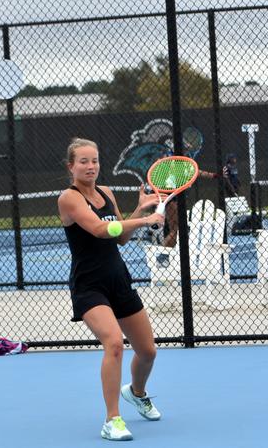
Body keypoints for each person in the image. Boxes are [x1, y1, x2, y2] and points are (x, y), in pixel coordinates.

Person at [58, 138, 165, 441]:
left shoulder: (106, 192)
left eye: (94, 160)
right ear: (71, 166)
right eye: (83, 161)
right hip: (89, 286)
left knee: (147, 352)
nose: (90, 166)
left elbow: (119, 236)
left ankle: (137, 392)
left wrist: (138, 210)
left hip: (118, 279)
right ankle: (112, 420)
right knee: (114, 344)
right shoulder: (69, 198)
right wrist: (148, 218)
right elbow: (99, 229)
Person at [161, 168, 225, 248]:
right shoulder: (174, 167)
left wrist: (215, 175)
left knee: (177, 230)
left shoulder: (187, 167)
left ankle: (169, 251)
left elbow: (198, 172)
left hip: (177, 200)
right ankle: (164, 252)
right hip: (171, 200)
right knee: (176, 230)